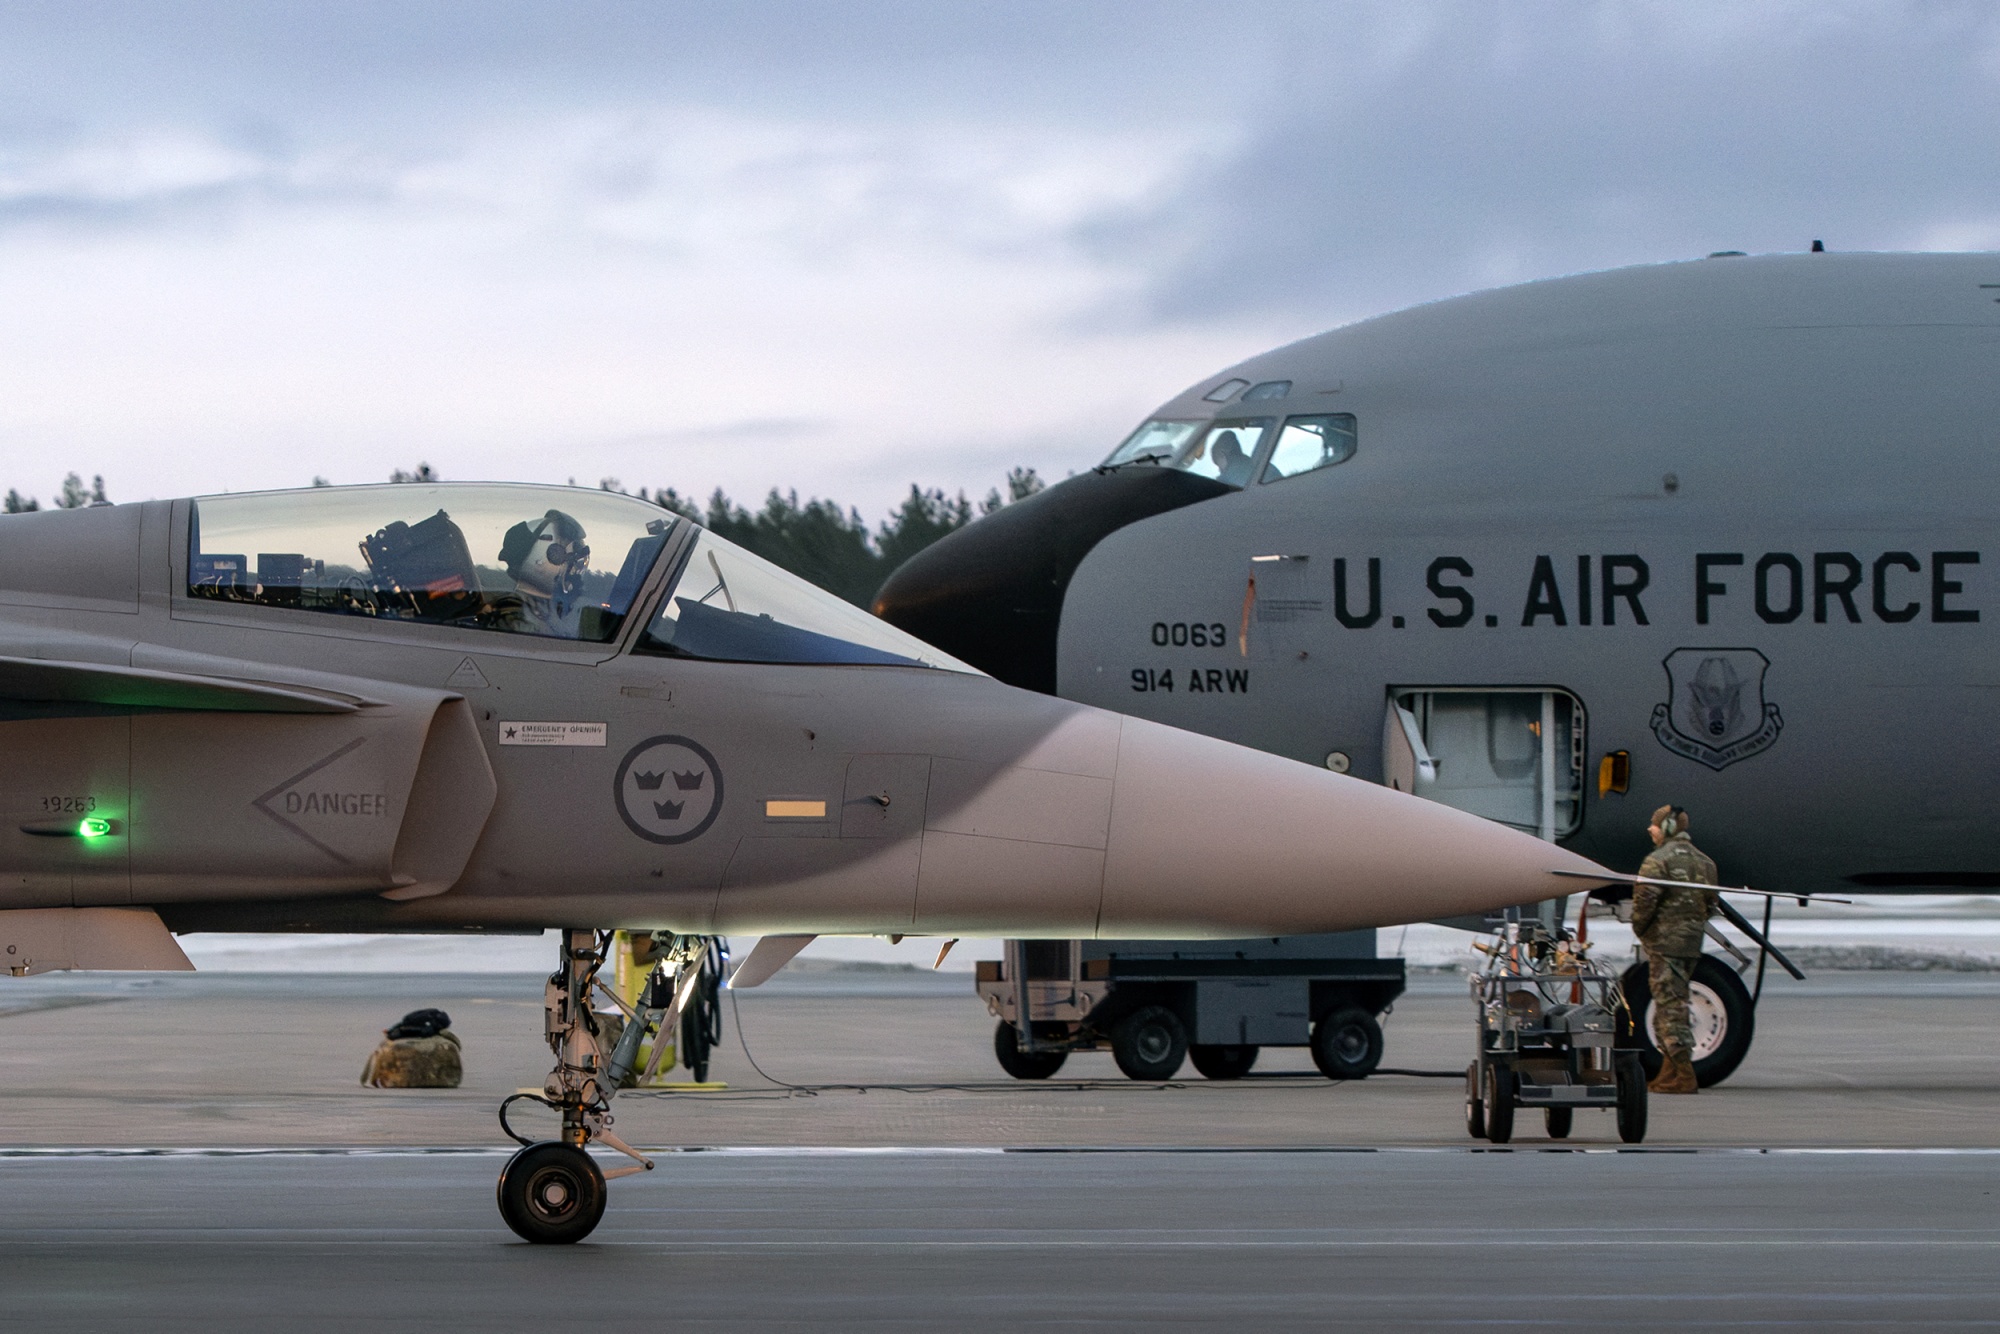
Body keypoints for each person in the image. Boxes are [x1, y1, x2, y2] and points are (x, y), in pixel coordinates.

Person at [1631, 804, 1718, 1094]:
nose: (1649, 829)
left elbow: (1643, 906)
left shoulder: (1656, 862)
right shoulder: (1705, 862)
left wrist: (1642, 931)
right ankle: (1668, 1073)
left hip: (1664, 944)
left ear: (1665, 828)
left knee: (1669, 1007)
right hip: (1690, 944)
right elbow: (1710, 907)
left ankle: (1684, 1074)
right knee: (1672, 1002)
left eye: (1653, 825)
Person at [494, 509, 591, 636]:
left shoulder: (547, 610)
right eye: (569, 562)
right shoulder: (513, 616)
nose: (573, 572)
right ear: (541, 560)